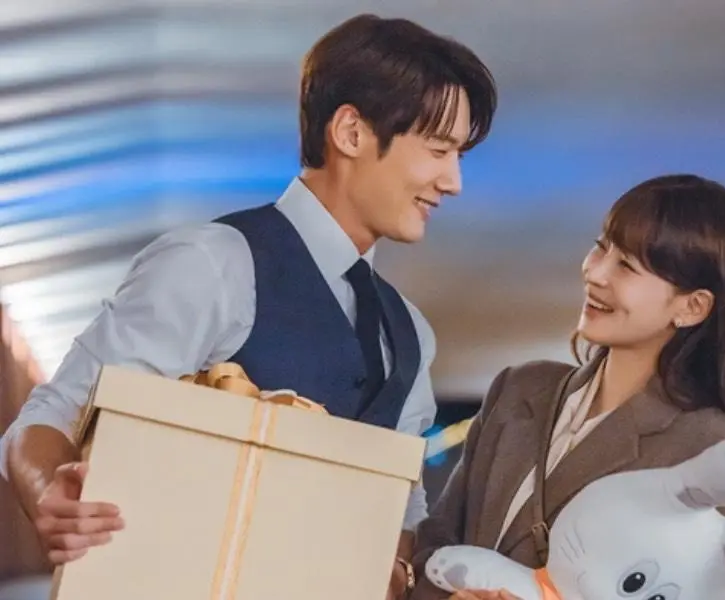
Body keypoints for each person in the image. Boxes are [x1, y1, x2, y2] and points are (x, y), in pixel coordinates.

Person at [0, 13, 497, 600]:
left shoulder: (411, 332)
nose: (453, 181)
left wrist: (409, 573)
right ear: (351, 133)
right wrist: (48, 490)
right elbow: (55, 412)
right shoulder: (215, 264)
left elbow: (405, 506)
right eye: (438, 150)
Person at [410, 175, 725, 600]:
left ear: (692, 306)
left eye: (627, 266)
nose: (595, 273)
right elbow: (436, 541)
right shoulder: (519, 389)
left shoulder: (714, 453)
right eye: (602, 248)